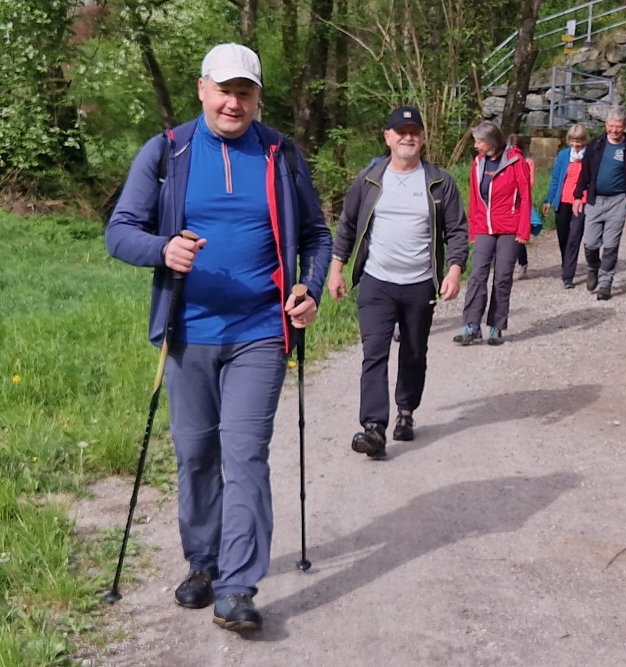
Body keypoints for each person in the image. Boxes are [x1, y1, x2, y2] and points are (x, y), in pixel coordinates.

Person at [105, 43, 333, 632]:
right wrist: (163, 249)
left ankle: (236, 587)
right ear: (203, 89)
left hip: (261, 331)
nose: (234, 103)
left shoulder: (280, 153)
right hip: (188, 333)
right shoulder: (167, 151)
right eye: (224, 91)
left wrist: (308, 289)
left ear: (258, 98)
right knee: (196, 455)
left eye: (245, 93)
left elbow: (317, 234)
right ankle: (203, 565)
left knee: (245, 455)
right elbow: (119, 232)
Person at [327, 107, 468, 458]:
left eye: (414, 132)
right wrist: (337, 269)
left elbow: (457, 230)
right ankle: (373, 428)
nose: (408, 137)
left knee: (414, 351)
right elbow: (347, 225)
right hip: (377, 282)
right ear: (387, 137)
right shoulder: (369, 179)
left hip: (420, 283)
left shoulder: (439, 182)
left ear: (422, 138)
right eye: (401, 132)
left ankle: (406, 410)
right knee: (374, 353)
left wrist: (453, 271)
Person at [454, 122, 531, 346]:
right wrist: (473, 228)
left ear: (492, 141)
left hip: (510, 227)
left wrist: (523, 230)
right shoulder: (478, 163)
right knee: (477, 275)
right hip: (484, 227)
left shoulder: (516, 161)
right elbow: (474, 198)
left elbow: (526, 196)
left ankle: (496, 326)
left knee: (502, 277)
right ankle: (472, 326)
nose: (476, 146)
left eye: (479, 141)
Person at [572, 106, 626, 301]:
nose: (614, 130)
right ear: (606, 125)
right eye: (611, 126)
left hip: (618, 202)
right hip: (595, 200)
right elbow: (585, 172)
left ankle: (605, 283)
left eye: (618, 126)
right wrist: (578, 196)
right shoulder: (596, 145)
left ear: (625, 126)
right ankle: (593, 268)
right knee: (590, 242)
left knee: (611, 245)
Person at [542, 124, 589, 289]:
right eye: (573, 141)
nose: (576, 145)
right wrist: (549, 200)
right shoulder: (563, 155)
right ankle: (566, 263)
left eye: (579, 141)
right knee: (563, 236)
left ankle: (568, 276)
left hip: (581, 201)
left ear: (584, 140)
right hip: (562, 200)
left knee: (574, 236)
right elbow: (556, 178)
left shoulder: (590, 155)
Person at [509, 134, 541, 279]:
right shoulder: (504, 161)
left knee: (518, 235)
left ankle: (522, 263)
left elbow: (531, 182)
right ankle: (506, 266)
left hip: (521, 201)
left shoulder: (528, 162)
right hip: (507, 202)